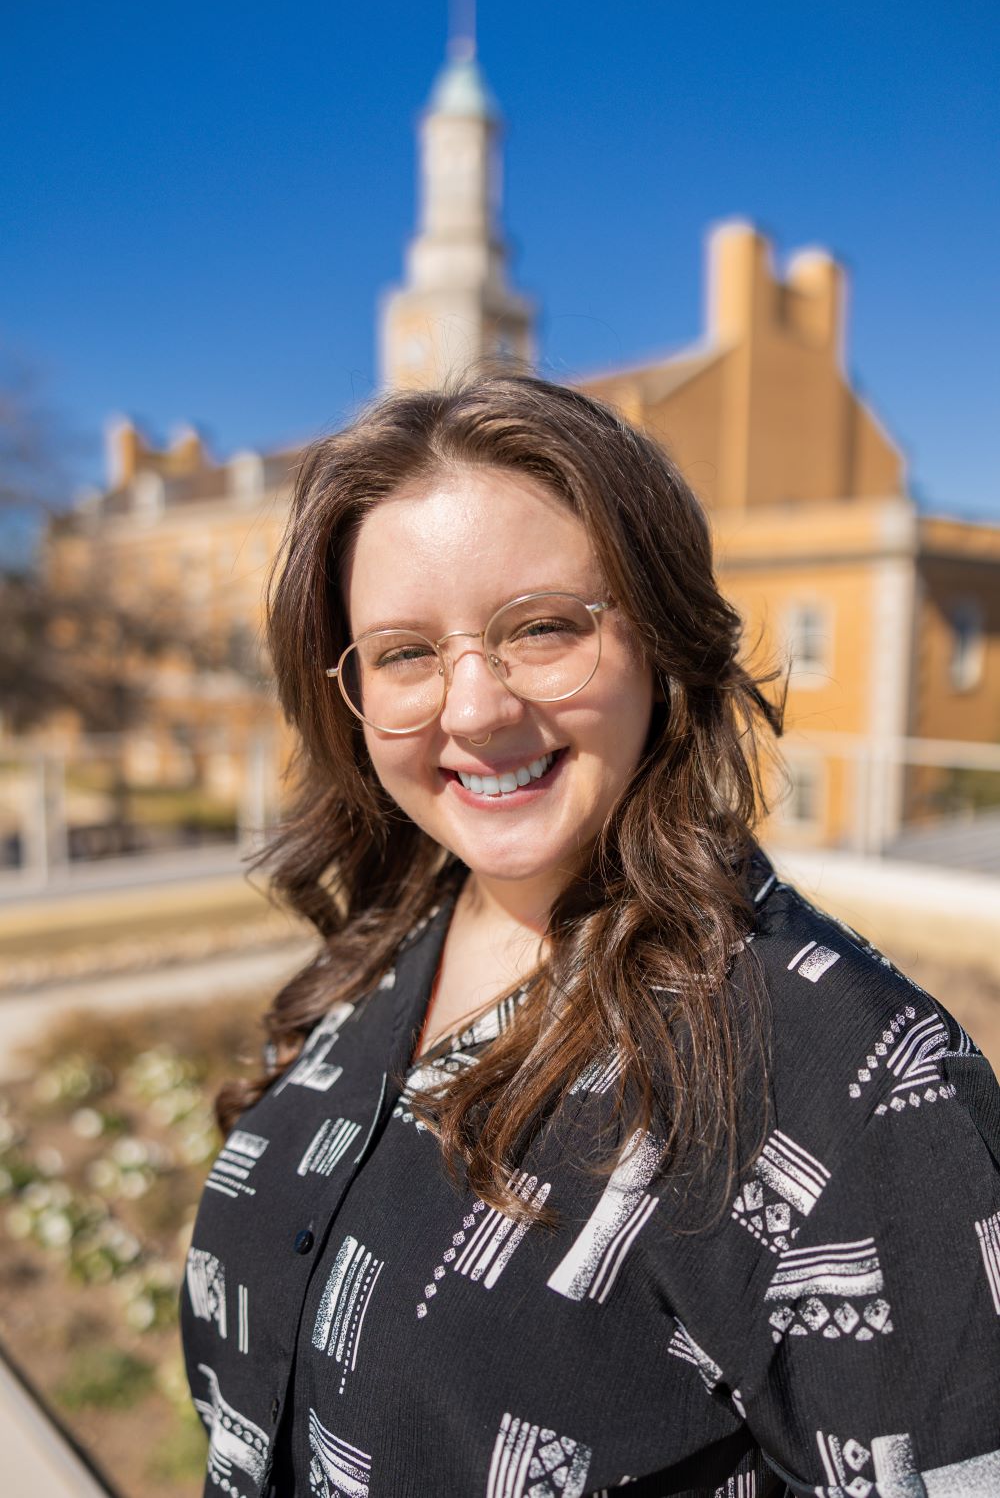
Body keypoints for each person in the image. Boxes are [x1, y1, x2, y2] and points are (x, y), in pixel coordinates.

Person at [180, 370, 1000, 1498]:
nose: (474, 709)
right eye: (406, 653)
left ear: (661, 641)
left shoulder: (850, 1071)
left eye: (544, 628)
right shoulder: (388, 945)